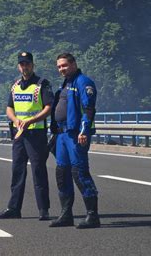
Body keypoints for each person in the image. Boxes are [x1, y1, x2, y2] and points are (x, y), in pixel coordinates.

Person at [0, 51, 54, 221]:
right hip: (19, 134)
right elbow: (9, 108)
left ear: (32, 65)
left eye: (27, 63)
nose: (25, 67)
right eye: (22, 64)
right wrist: (15, 120)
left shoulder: (42, 84)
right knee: (17, 171)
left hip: (36, 133)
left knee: (38, 171)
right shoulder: (14, 86)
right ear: (18, 66)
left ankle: (44, 209)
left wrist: (31, 120)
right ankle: (14, 208)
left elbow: (48, 107)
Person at [49, 52, 100, 229]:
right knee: (62, 174)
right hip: (62, 134)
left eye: (64, 65)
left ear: (73, 64)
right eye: (59, 66)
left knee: (79, 172)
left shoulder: (83, 82)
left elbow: (88, 109)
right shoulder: (66, 83)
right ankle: (66, 215)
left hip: (75, 134)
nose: (61, 69)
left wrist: (84, 130)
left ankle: (92, 216)